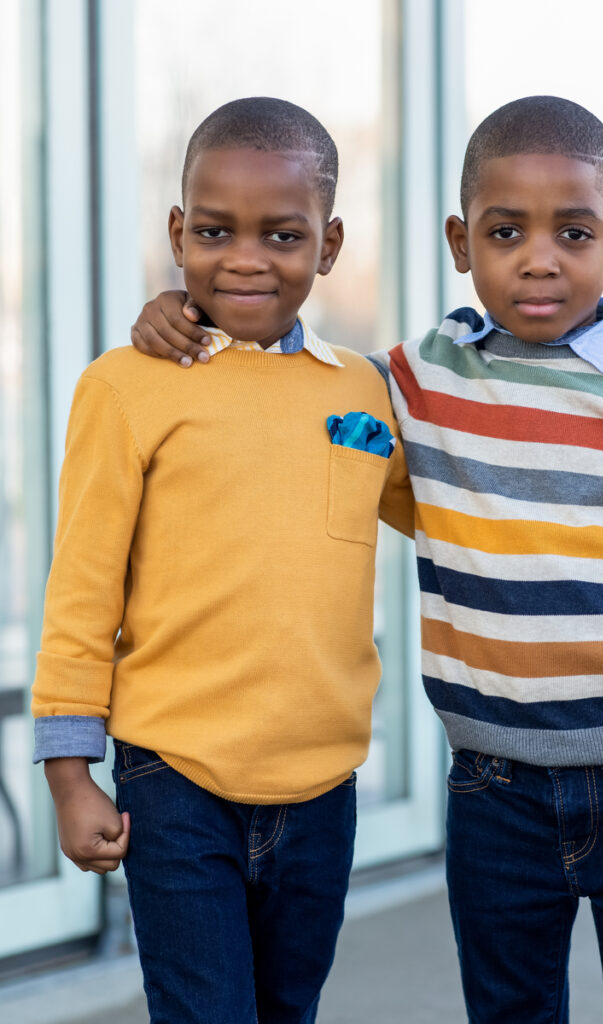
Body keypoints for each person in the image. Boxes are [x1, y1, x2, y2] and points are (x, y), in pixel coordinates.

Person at [132, 96, 603, 1023]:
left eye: (575, 232)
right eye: (507, 232)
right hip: (492, 790)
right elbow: (294, 381)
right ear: (461, 243)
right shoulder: (419, 380)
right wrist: (183, 314)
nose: (540, 257)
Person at [31, 96, 413, 1024]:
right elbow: (82, 589)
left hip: (323, 787)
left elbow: (452, 514)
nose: (244, 258)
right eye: (214, 231)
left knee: (288, 1010)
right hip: (175, 780)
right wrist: (70, 772)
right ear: (177, 232)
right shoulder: (125, 386)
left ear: (327, 246)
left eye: (282, 235)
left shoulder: (364, 388)